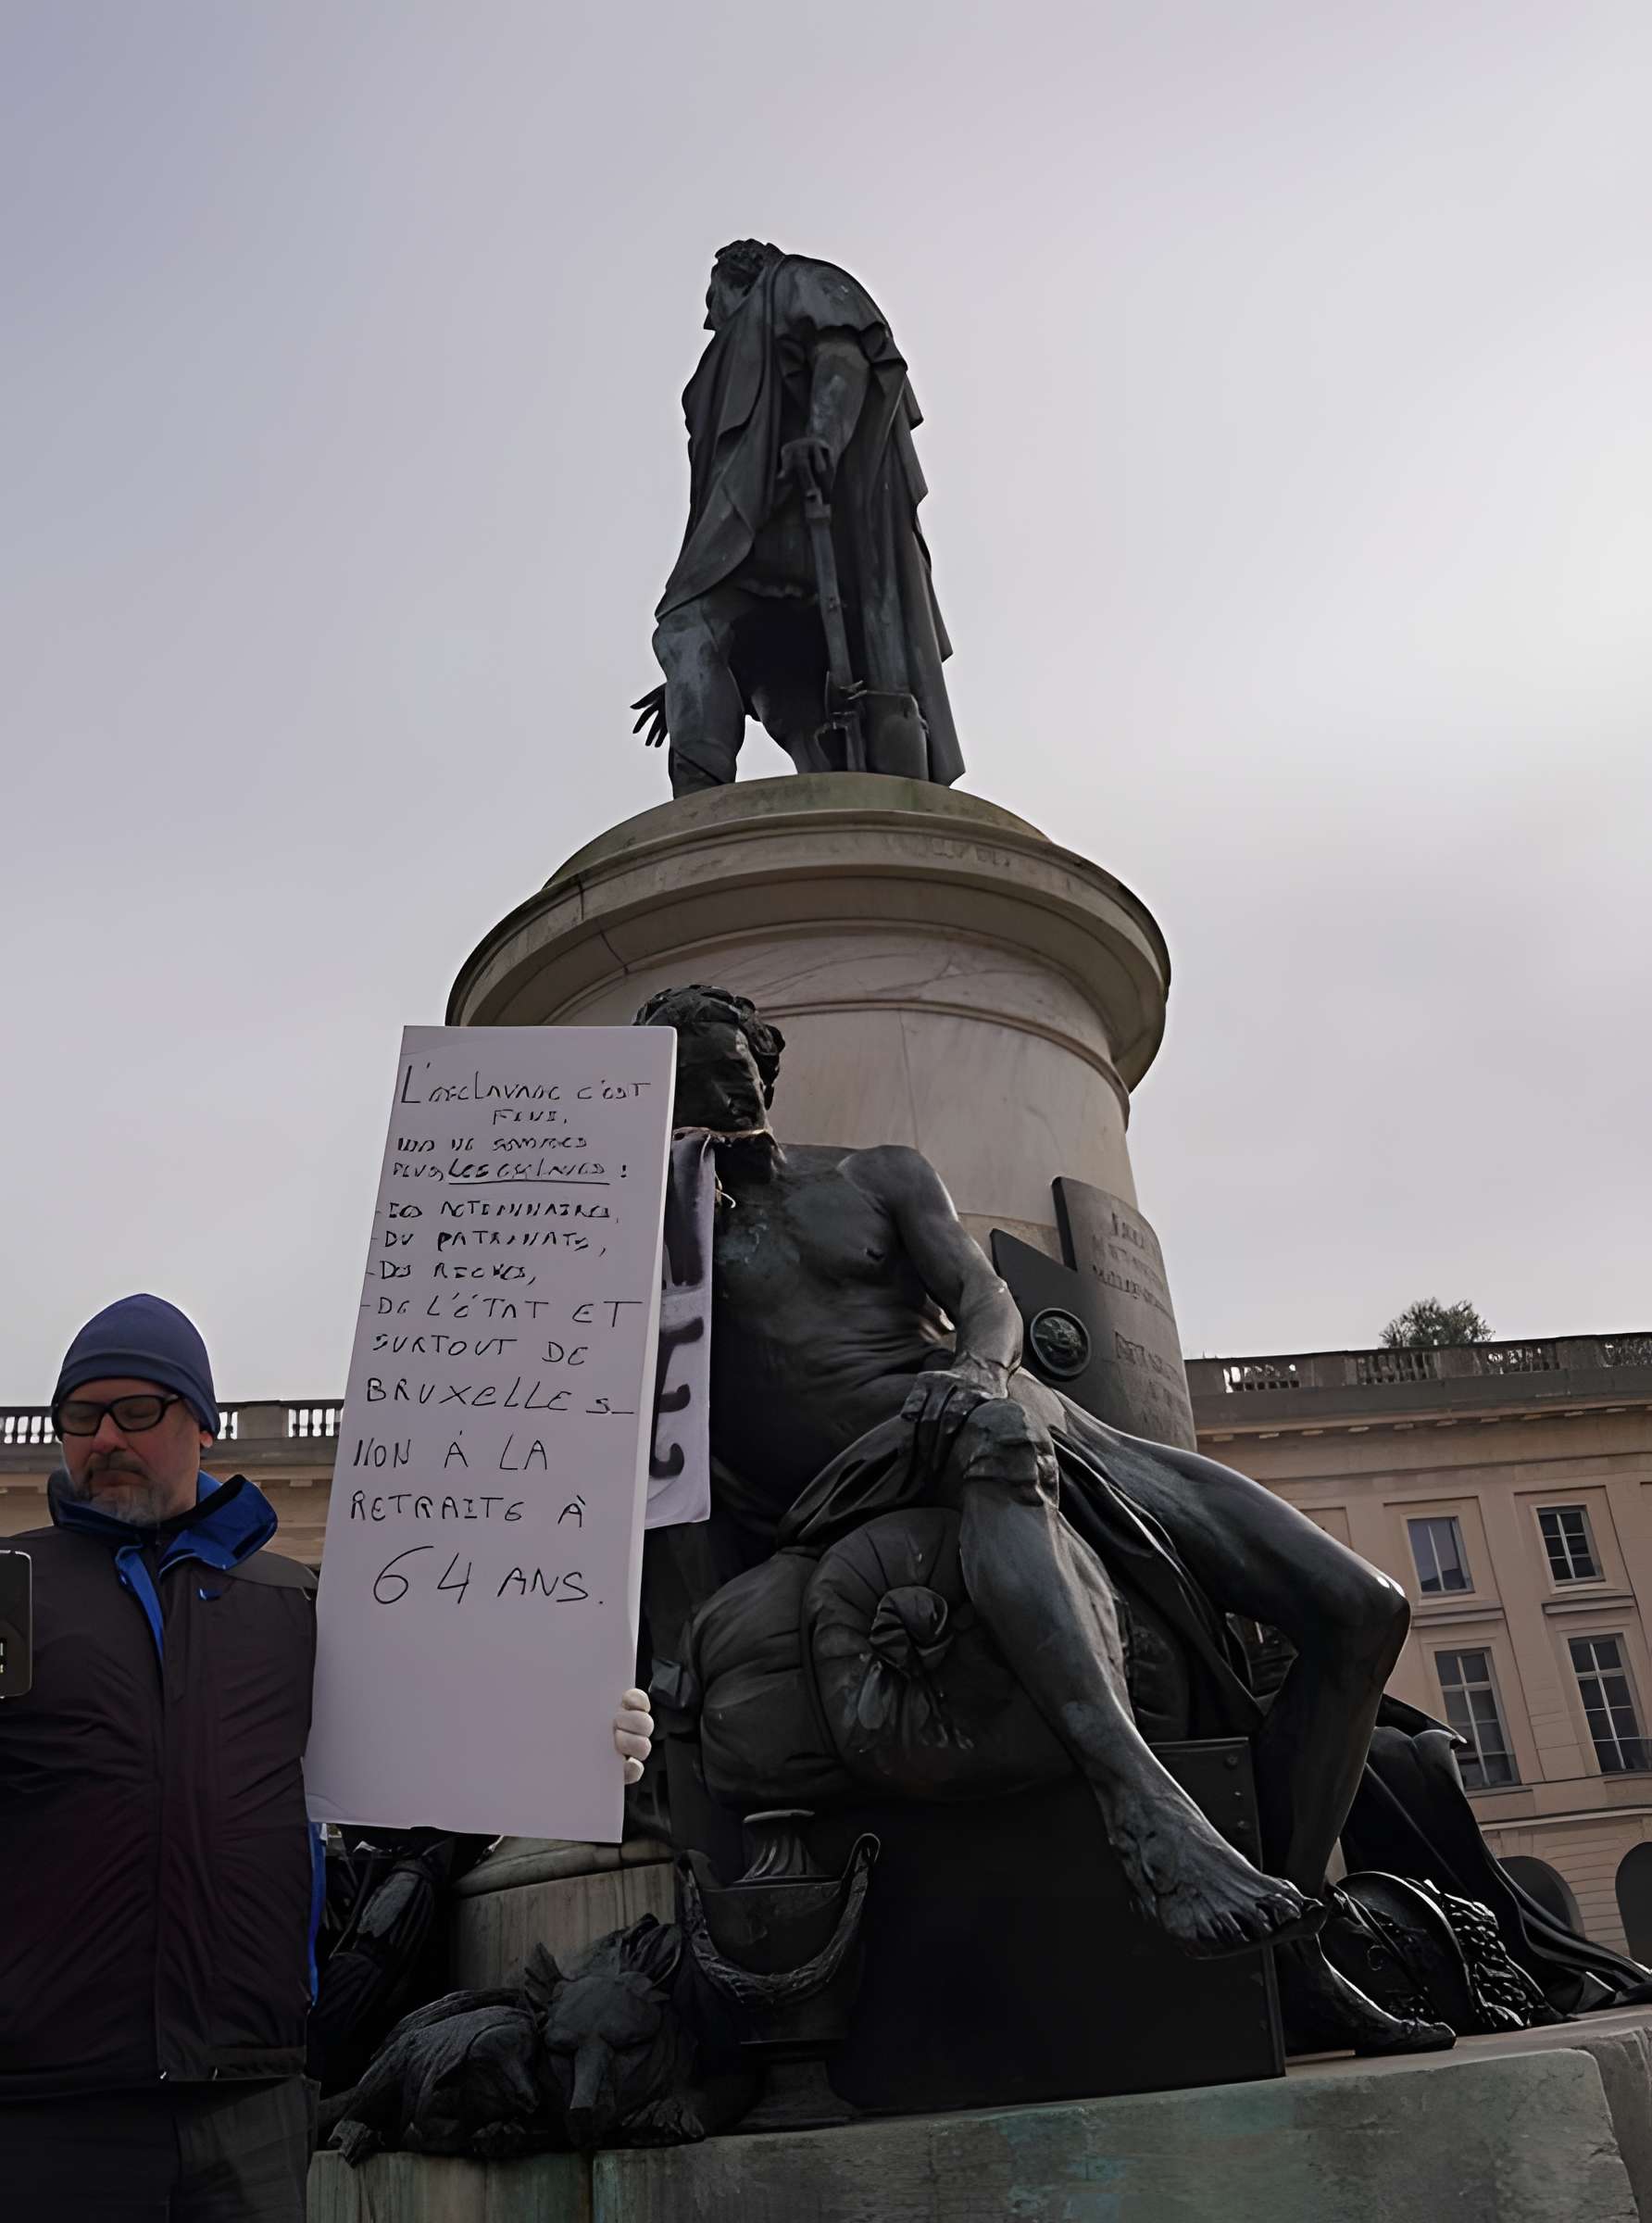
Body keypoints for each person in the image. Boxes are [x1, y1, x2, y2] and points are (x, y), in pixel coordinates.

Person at [637, 984, 1452, 2055]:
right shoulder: (657, 1252)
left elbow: (985, 1298)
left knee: (1360, 1608)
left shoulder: (875, 1173)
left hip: (1029, 1414)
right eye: (695, 1077)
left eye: (734, 1064)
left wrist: (976, 1367)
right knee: (997, 1443)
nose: (724, 1086)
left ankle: (1288, 1937)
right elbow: (645, 1451)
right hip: (873, 1474)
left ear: (764, 1065)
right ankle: (1143, 1808)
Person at [0, 1293, 653, 2220]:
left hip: (251, 2094)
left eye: (137, 1411)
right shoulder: (14, 1591)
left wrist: (581, 1742)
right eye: (80, 1415)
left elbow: (437, 1746)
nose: (105, 1437)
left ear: (201, 1427)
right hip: (51, 2101)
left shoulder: (297, 1604)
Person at [635, 238, 964, 794]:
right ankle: (723, 832)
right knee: (785, 697)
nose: (709, 319)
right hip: (741, 534)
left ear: (737, 276)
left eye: (711, 299)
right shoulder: (727, 353)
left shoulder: (795, 283)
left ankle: (699, 811)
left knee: (688, 626)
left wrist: (823, 439)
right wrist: (691, 684)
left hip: (808, 519)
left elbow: (844, 351)